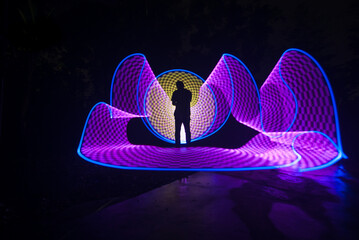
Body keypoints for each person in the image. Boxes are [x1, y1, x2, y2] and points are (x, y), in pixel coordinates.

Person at [171, 81, 192, 146]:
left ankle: (177, 144)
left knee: (177, 129)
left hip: (178, 113)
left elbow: (173, 103)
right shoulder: (188, 92)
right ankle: (188, 143)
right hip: (186, 113)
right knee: (187, 129)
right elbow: (189, 100)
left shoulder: (175, 93)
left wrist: (178, 102)